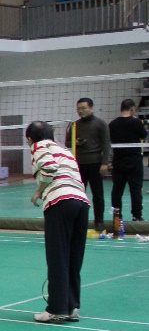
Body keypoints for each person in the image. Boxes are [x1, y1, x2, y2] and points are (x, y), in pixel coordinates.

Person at [28, 121, 90, 322]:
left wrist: (38, 191)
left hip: (60, 203)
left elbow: (49, 167)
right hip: (81, 203)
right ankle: (71, 307)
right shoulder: (65, 151)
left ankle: (56, 308)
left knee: (58, 256)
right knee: (73, 258)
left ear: (30, 139)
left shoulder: (39, 145)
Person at [68, 98, 111, 232]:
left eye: (83, 108)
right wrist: (75, 142)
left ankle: (99, 221)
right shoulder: (74, 125)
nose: (80, 111)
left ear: (91, 108)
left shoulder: (101, 124)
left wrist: (105, 163)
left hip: (95, 164)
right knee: (78, 194)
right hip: (79, 165)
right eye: (78, 109)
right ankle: (79, 220)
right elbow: (68, 143)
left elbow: (106, 144)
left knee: (98, 195)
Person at [108, 98, 146, 223]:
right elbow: (144, 135)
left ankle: (117, 217)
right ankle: (137, 216)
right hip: (134, 161)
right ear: (132, 109)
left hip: (118, 161)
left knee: (117, 190)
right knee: (135, 190)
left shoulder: (112, 124)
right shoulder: (136, 122)